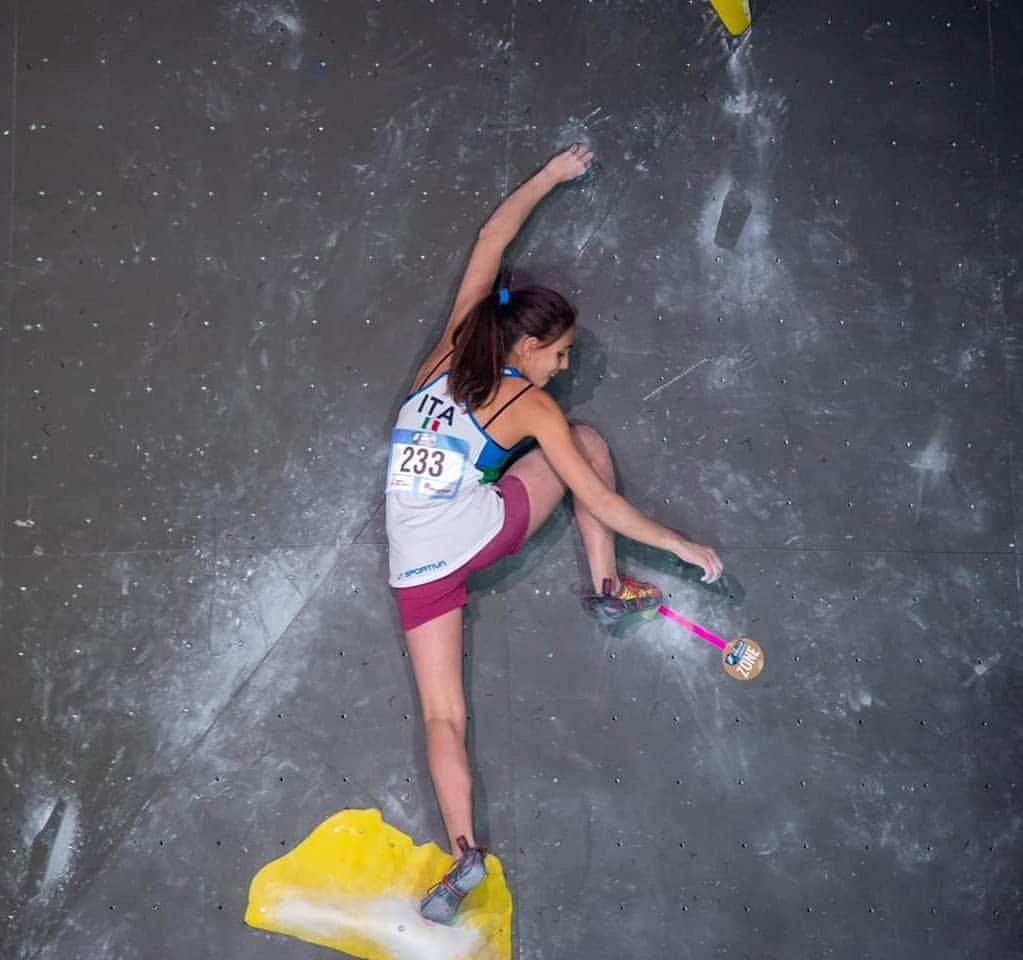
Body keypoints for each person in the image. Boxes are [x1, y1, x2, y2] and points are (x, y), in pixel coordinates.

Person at [384, 145, 724, 924]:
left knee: (442, 716)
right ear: (527, 349)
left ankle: (463, 855)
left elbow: (487, 247)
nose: (564, 367)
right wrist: (677, 546)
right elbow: (598, 499)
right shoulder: (527, 404)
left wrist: (546, 175)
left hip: (412, 564)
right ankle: (609, 592)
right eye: (560, 352)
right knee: (590, 447)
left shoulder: (452, 346)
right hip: (474, 534)